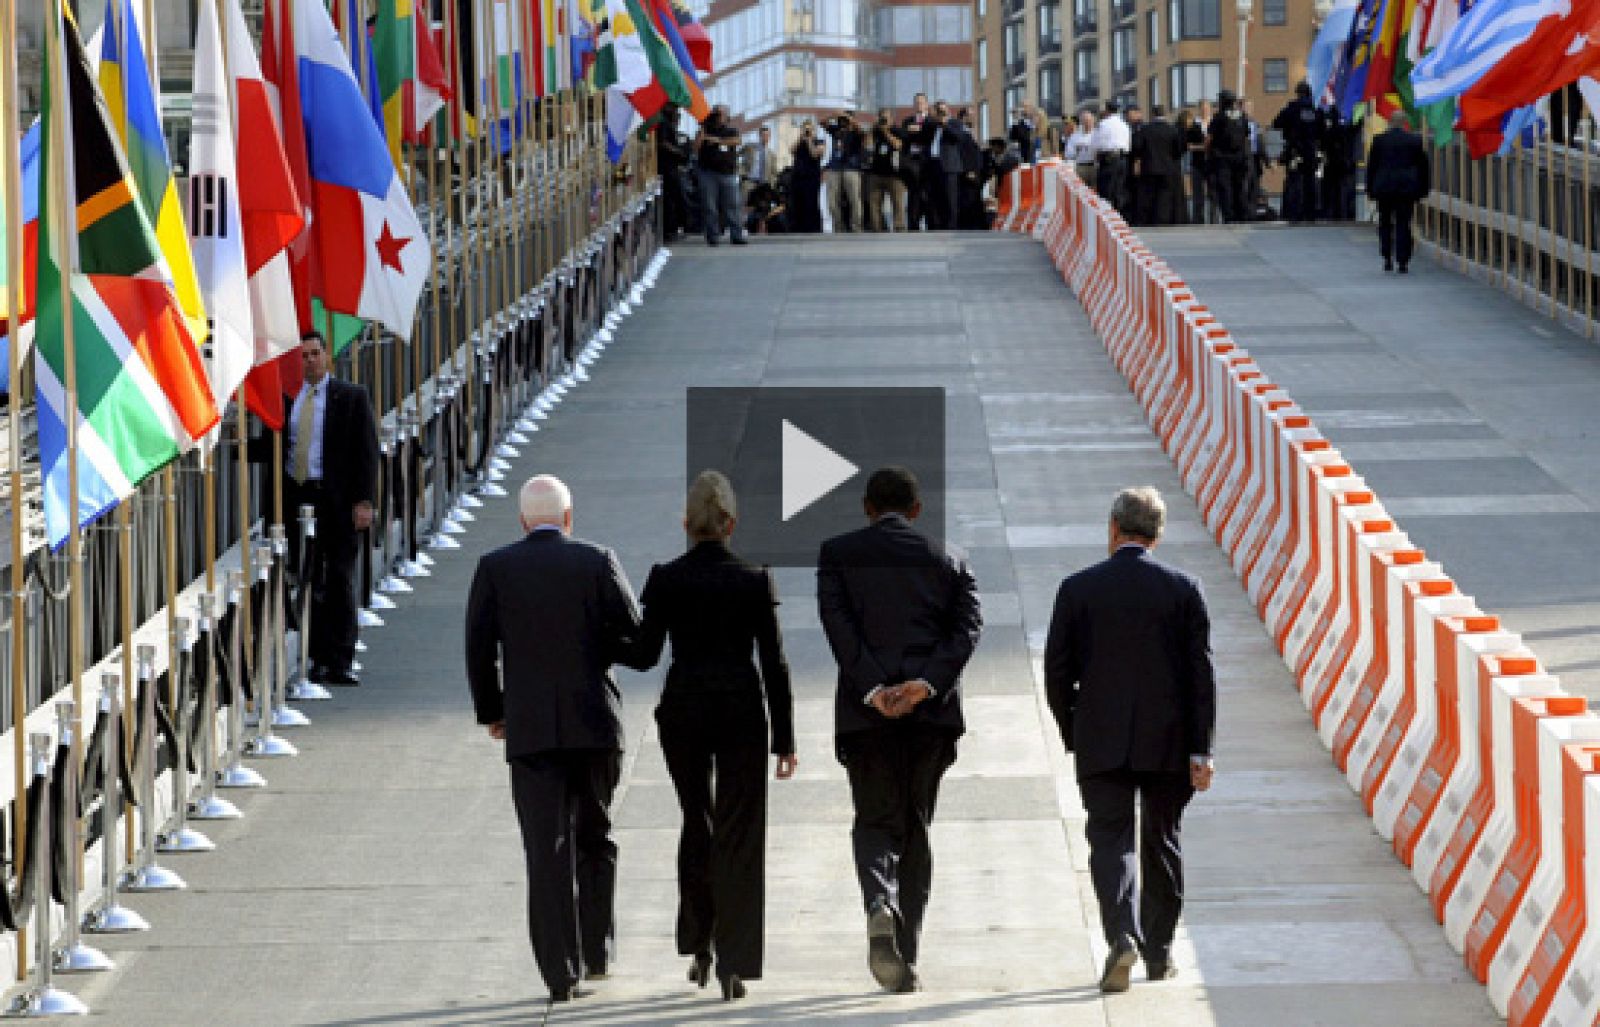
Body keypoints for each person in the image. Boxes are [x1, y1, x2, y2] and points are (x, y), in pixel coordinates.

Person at [464, 475, 644, 1003]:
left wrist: (494, 712)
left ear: (523, 521)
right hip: (594, 723)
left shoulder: (496, 567)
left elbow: (478, 649)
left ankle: (559, 972)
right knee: (596, 835)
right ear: (569, 517)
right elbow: (634, 633)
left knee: (545, 850)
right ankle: (596, 950)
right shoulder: (598, 561)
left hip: (533, 728)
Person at [620, 471, 797, 1003]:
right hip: (741, 711)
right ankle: (735, 960)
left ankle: (698, 942)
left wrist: (597, 638)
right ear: (731, 524)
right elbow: (775, 665)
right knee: (740, 833)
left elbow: (645, 654)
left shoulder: (666, 578)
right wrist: (784, 739)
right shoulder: (754, 578)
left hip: (685, 712)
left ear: (686, 525)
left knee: (696, 819)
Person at [1043, 487, 1216, 994]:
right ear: (1157, 535)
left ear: (1113, 528)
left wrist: (1072, 727)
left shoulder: (1077, 589)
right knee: (1161, 840)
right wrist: (1201, 750)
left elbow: (1057, 672)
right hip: (1169, 742)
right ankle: (1159, 954)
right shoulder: (1185, 589)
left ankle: (1122, 935)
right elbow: (1201, 677)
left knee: (1110, 840)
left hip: (1101, 740)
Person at [817, 467, 982, 994]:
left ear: (867, 507)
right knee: (914, 824)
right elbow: (968, 629)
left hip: (866, 718)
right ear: (916, 510)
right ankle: (907, 950)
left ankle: (878, 901)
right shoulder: (949, 558)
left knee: (873, 820)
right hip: (929, 718)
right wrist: (924, 685)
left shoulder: (838, 554)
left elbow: (838, 628)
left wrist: (874, 689)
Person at [276, 330, 378, 687]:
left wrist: (364, 502)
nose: (309, 361)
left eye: (315, 354)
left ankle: (341, 658)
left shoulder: (350, 397)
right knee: (308, 578)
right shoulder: (287, 399)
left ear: (327, 357)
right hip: (300, 498)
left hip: (337, 500)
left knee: (339, 579)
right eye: (302, 356)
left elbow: (366, 453)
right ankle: (316, 656)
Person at [1366, 113, 1431, 273]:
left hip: (1385, 188)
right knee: (1403, 223)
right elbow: (1423, 168)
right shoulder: (1414, 141)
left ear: (1390, 122)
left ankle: (1387, 257)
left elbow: (1372, 167)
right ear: (1404, 123)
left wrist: (1370, 189)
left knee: (1385, 222)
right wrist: (1423, 189)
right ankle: (1403, 261)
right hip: (1405, 189)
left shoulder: (1379, 140)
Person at [1273, 82, 1325, 223]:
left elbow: (1276, 123)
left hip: (1295, 150)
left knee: (1295, 182)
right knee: (1310, 182)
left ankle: (1295, 214)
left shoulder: (1292, 108)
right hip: (1311, 151)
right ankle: (1311, 214)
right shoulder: (1317, 110)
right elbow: (1322, 131)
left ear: (1298, 93)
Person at [696, 105, 746, 246]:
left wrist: (717, 140)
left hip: (727, 173)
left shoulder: (730, 130)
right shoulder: (706, 129)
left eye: (722, 114)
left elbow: (737, 141)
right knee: (709, 205)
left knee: (733, 205)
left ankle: (736, 235)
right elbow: (696, 148)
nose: (719, 117)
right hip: (708, 172)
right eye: (717, 114)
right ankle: (713, 236)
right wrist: (703, 132)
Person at [1134, 105, 1184, 226]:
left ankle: (1149, 220)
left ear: (1152, 114)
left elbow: (1137, 147)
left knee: (1149, 195)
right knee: (1164, 196)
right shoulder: (1172, 130)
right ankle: (1162, 220)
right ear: (1165, 114)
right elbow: (1179, 149)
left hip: (1149, 167)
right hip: (1167, 168)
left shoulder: (1145, 130)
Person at [1205, 90, 1251, 223]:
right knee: (1239, 186)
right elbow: (1246, 135)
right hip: (1240, 157)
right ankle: (1241, 214)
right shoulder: (1242, 116)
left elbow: (1209, 138)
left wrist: (1209, 152)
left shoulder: (1219, 117)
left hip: (1222, 158)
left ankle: (1229, 216)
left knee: (1225, 188)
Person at [923, 101, 964, 230]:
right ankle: (936, 225)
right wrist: (935, 121)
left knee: (950, 198)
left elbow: (957, 138)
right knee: (934, 197)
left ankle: (951, 226)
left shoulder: (955, 123)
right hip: (933, 165)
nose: (940, 113)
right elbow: (923, 135)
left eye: (943, 111)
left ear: (948, 111)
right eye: (938, 111)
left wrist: (945, 123)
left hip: (949, 166)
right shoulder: (931, 124)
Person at [824, 111, 867, 232]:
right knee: (832, 201)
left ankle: (856, 227)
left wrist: (849, 118)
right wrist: (834, 114)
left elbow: (862, 131)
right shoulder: (836, 130)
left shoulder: (856, 132)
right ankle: (838, 227)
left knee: (854, 199)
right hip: (835, 167)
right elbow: (822, 122)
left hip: (851, 168)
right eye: (841, 119)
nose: (843, 121)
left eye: (845, 119)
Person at [867, 108, 908, 231]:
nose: (884, 120)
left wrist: (886, 132)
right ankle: (877, 228)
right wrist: (872, 129)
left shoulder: (898, 130)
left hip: (894, 174)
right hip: (876, 173)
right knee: (874, 203)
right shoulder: (875, 131)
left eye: (886, 118)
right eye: (882, 118)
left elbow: (898, 145)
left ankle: (899, 227)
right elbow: (867, 145)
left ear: (892, 119)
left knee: (897, 203)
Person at [656, 103, 691, 240]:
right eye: (675, 109)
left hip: (671, 167)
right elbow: (663, 143)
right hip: (666, 167)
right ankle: (669, 231)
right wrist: (678, 152)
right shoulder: (664, 123)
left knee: (674, 199)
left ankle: (672, 229)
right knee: (669, 200)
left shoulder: (669, 124)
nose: (677, 113)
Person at [901, 93, 936, 229]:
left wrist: (918, 131)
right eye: (917, 102)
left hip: (928, 161)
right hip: (911, 161)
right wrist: (912, 132)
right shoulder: (908, 121)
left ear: (927, 104)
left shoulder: (932, 121)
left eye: (922, 102)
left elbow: (929, 138)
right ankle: (913, 224)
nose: (919, 105)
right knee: (913, 193)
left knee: (928, 192)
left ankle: (931, 223)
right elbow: (903, 136)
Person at [1091, 101, 1132, 213]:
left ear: (1107, 111)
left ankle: (1108, 216)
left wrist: (1096, 159)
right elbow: (1128, 144)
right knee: (1119, 189)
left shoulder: (1103, 124)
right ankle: (1119, 215)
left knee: (1106, 190)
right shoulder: (1124, 124)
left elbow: (1095, 144)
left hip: (1108, 159)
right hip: (1122, 158)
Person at [787, 121, 826, 233]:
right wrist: (801, 137)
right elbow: (791, 150)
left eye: (810, 129)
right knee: (797, 203)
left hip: (811, 178)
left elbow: (815, 154)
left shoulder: (819, 141)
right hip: (798, 176)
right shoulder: (799, 142)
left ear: (814, 130)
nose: (808, 131)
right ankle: (797, 228)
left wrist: (809, 140)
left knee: (811, 203)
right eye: (805, 129)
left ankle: (813, 228)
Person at [738, 125, 778, 211]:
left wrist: (771, 184)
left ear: (770, 137)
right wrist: (741, 171)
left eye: (767, 135)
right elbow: (737, 155)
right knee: (745, 207)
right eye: (763, 135)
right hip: (749, 182)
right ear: (759, 136)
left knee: (762, 210)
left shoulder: (772, 155)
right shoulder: (750, 147)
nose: (765, 138)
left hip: (763, 185)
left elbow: (774, 172)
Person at [1186, 101, 1213, 223]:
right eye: (1203, 109)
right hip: (1197, 163)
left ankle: (1214, 220)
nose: (1205, 111)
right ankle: (1198, 220)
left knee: (1213, 194)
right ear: (1199, 109)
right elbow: (1189, 146)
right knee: (1198, 195)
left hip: (1212, 164)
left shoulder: (1214, 123)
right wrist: (1203, 147)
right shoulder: (1193, 126)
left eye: (1207, 108)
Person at [1242, 99, 1270, 217]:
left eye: (1250, 107)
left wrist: (1268, 162)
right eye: (1246, 107)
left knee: (1255, 188)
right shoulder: (1237, 124)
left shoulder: (1256, 124)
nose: (1248, 110)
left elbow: (1261, 145)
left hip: (1255, 161)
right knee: (1244, 188)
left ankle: (1252, 214)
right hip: (1243, 161)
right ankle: (1243, 214)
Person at [1065, 109, 1098, 192]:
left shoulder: (1097, 134)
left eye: (1089, 121)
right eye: (1085, 121)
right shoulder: (1075, 136)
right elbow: (1068, 154)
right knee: (1081, 191)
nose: (1088, 123)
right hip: (1080, 167)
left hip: (1094, 166)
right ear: (1081, 122)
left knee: (1095, 191)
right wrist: (1076, 150)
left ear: (1093, 121)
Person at [1124, 104, 1146, 222]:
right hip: (1129, 162)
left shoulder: (1141, 128)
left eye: (1130, 114)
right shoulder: (1128, 127)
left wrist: (1138, 161)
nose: (1128, 116)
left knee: (1138, 192)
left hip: (1138, 163)